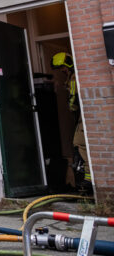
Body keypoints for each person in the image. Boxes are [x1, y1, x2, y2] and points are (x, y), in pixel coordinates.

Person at [52, 52, 91, 192]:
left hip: (82, 115)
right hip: (82, 115)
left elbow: (73, 98)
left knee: (79, 142)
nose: (62, 70)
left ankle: (89, 177)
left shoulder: (74, 78)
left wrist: (71, 107)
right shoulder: (71, 77)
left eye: (62, 67)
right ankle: (87, 177)